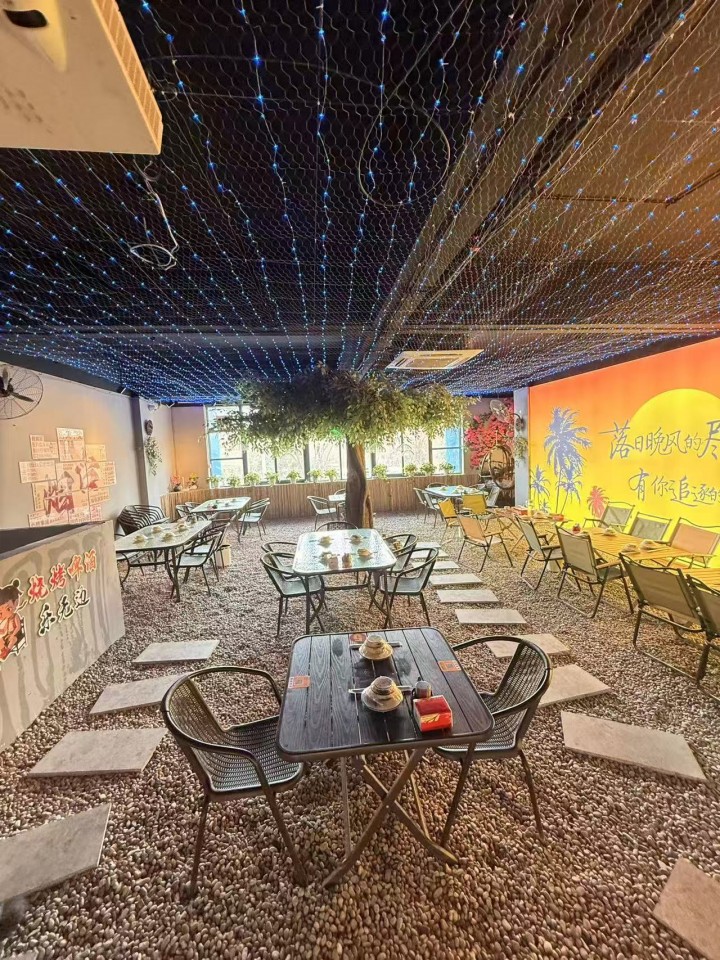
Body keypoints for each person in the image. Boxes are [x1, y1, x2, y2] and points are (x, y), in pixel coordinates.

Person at [0, 579, 26, 664]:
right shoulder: (7, 619)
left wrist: (12, 634)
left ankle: (6, 651)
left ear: (15, 604)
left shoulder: (15, 616)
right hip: (8, 635)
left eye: (8, 609)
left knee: (13, 640)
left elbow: (18, 627)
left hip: (16, 634)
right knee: (1, 640)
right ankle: (3, 650)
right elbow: (4, 629)